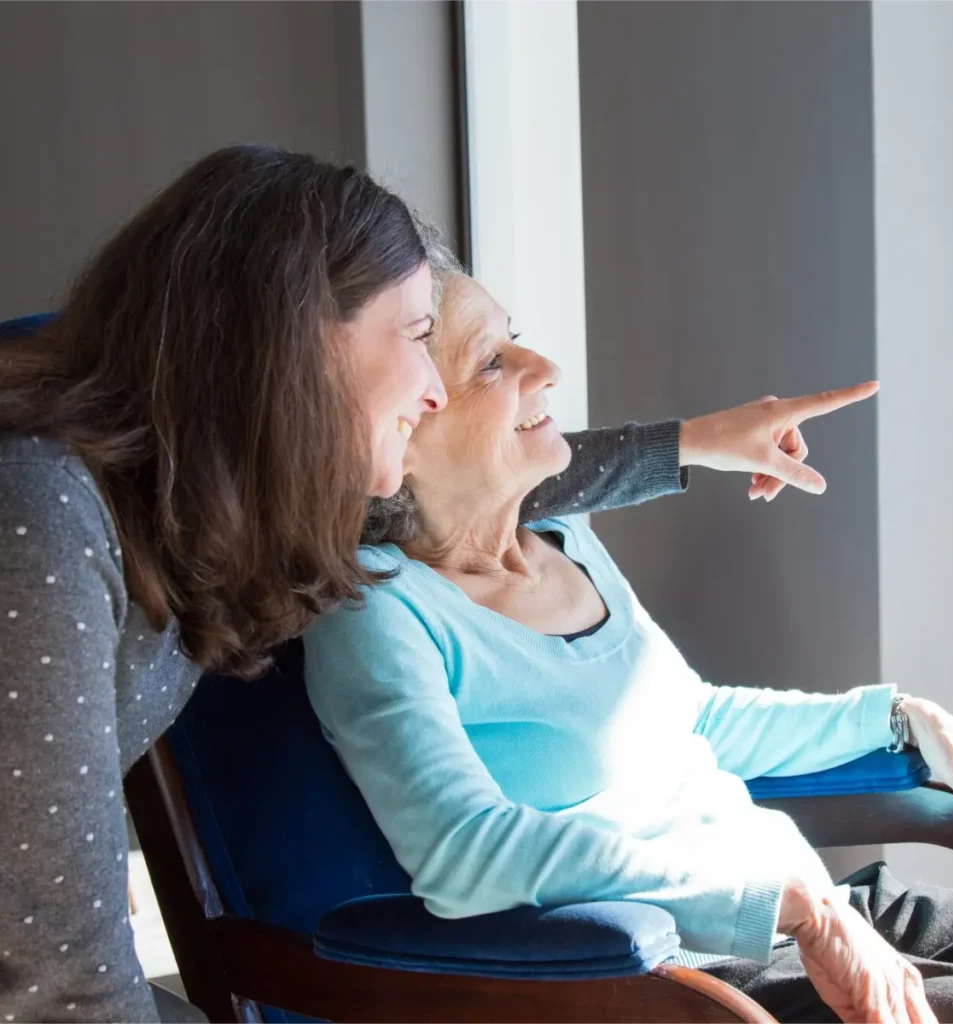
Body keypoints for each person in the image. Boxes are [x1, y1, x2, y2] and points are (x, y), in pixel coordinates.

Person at [0, 143, 871, 1024]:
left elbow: (466, 481)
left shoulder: (212, 503)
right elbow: (59, 984)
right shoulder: (41, 522)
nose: (431, 391)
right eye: (420, 338)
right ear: (298, 341)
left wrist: (691, 444)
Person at [306, 271, 953, 1024]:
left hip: (810, 908)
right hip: (676, 979)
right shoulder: (379, 608)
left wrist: (897, 718)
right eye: (491, 362)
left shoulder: (564, 540)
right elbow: (465, 854)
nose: (543, 368)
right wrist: (790, 905)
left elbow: (696, 722)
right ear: (400, 424)